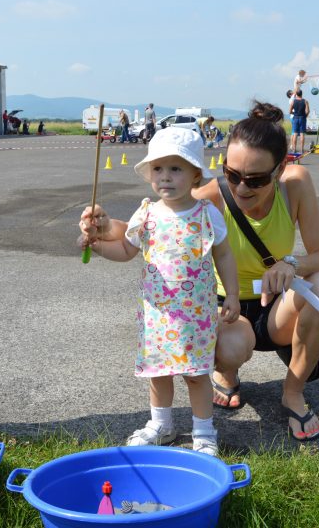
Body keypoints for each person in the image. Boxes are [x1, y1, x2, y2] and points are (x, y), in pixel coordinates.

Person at [80, 102, 319, 442]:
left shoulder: (296, 184)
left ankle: (292, 391)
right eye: (232, 175)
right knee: (226, 347)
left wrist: (290, 263)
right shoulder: (210, 197)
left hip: (277, 307)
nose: (242, 188)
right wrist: (101, 228)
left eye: (256, 179)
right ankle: (227, 374)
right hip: (228, 312)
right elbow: (155, 225)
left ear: (280, 169)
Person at [78, 127, 240, 456]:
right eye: (158, 169)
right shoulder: (147, 213)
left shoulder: (207, 213)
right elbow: (125, 249)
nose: (165, 177)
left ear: (196, 174)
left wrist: (233, 295)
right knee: (159, 373)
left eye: (176, 169)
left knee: (196, 375)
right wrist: (97, 246)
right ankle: (161, 424)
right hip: (158, 316)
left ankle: (204, 430)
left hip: (196, 316)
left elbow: (223, 254)